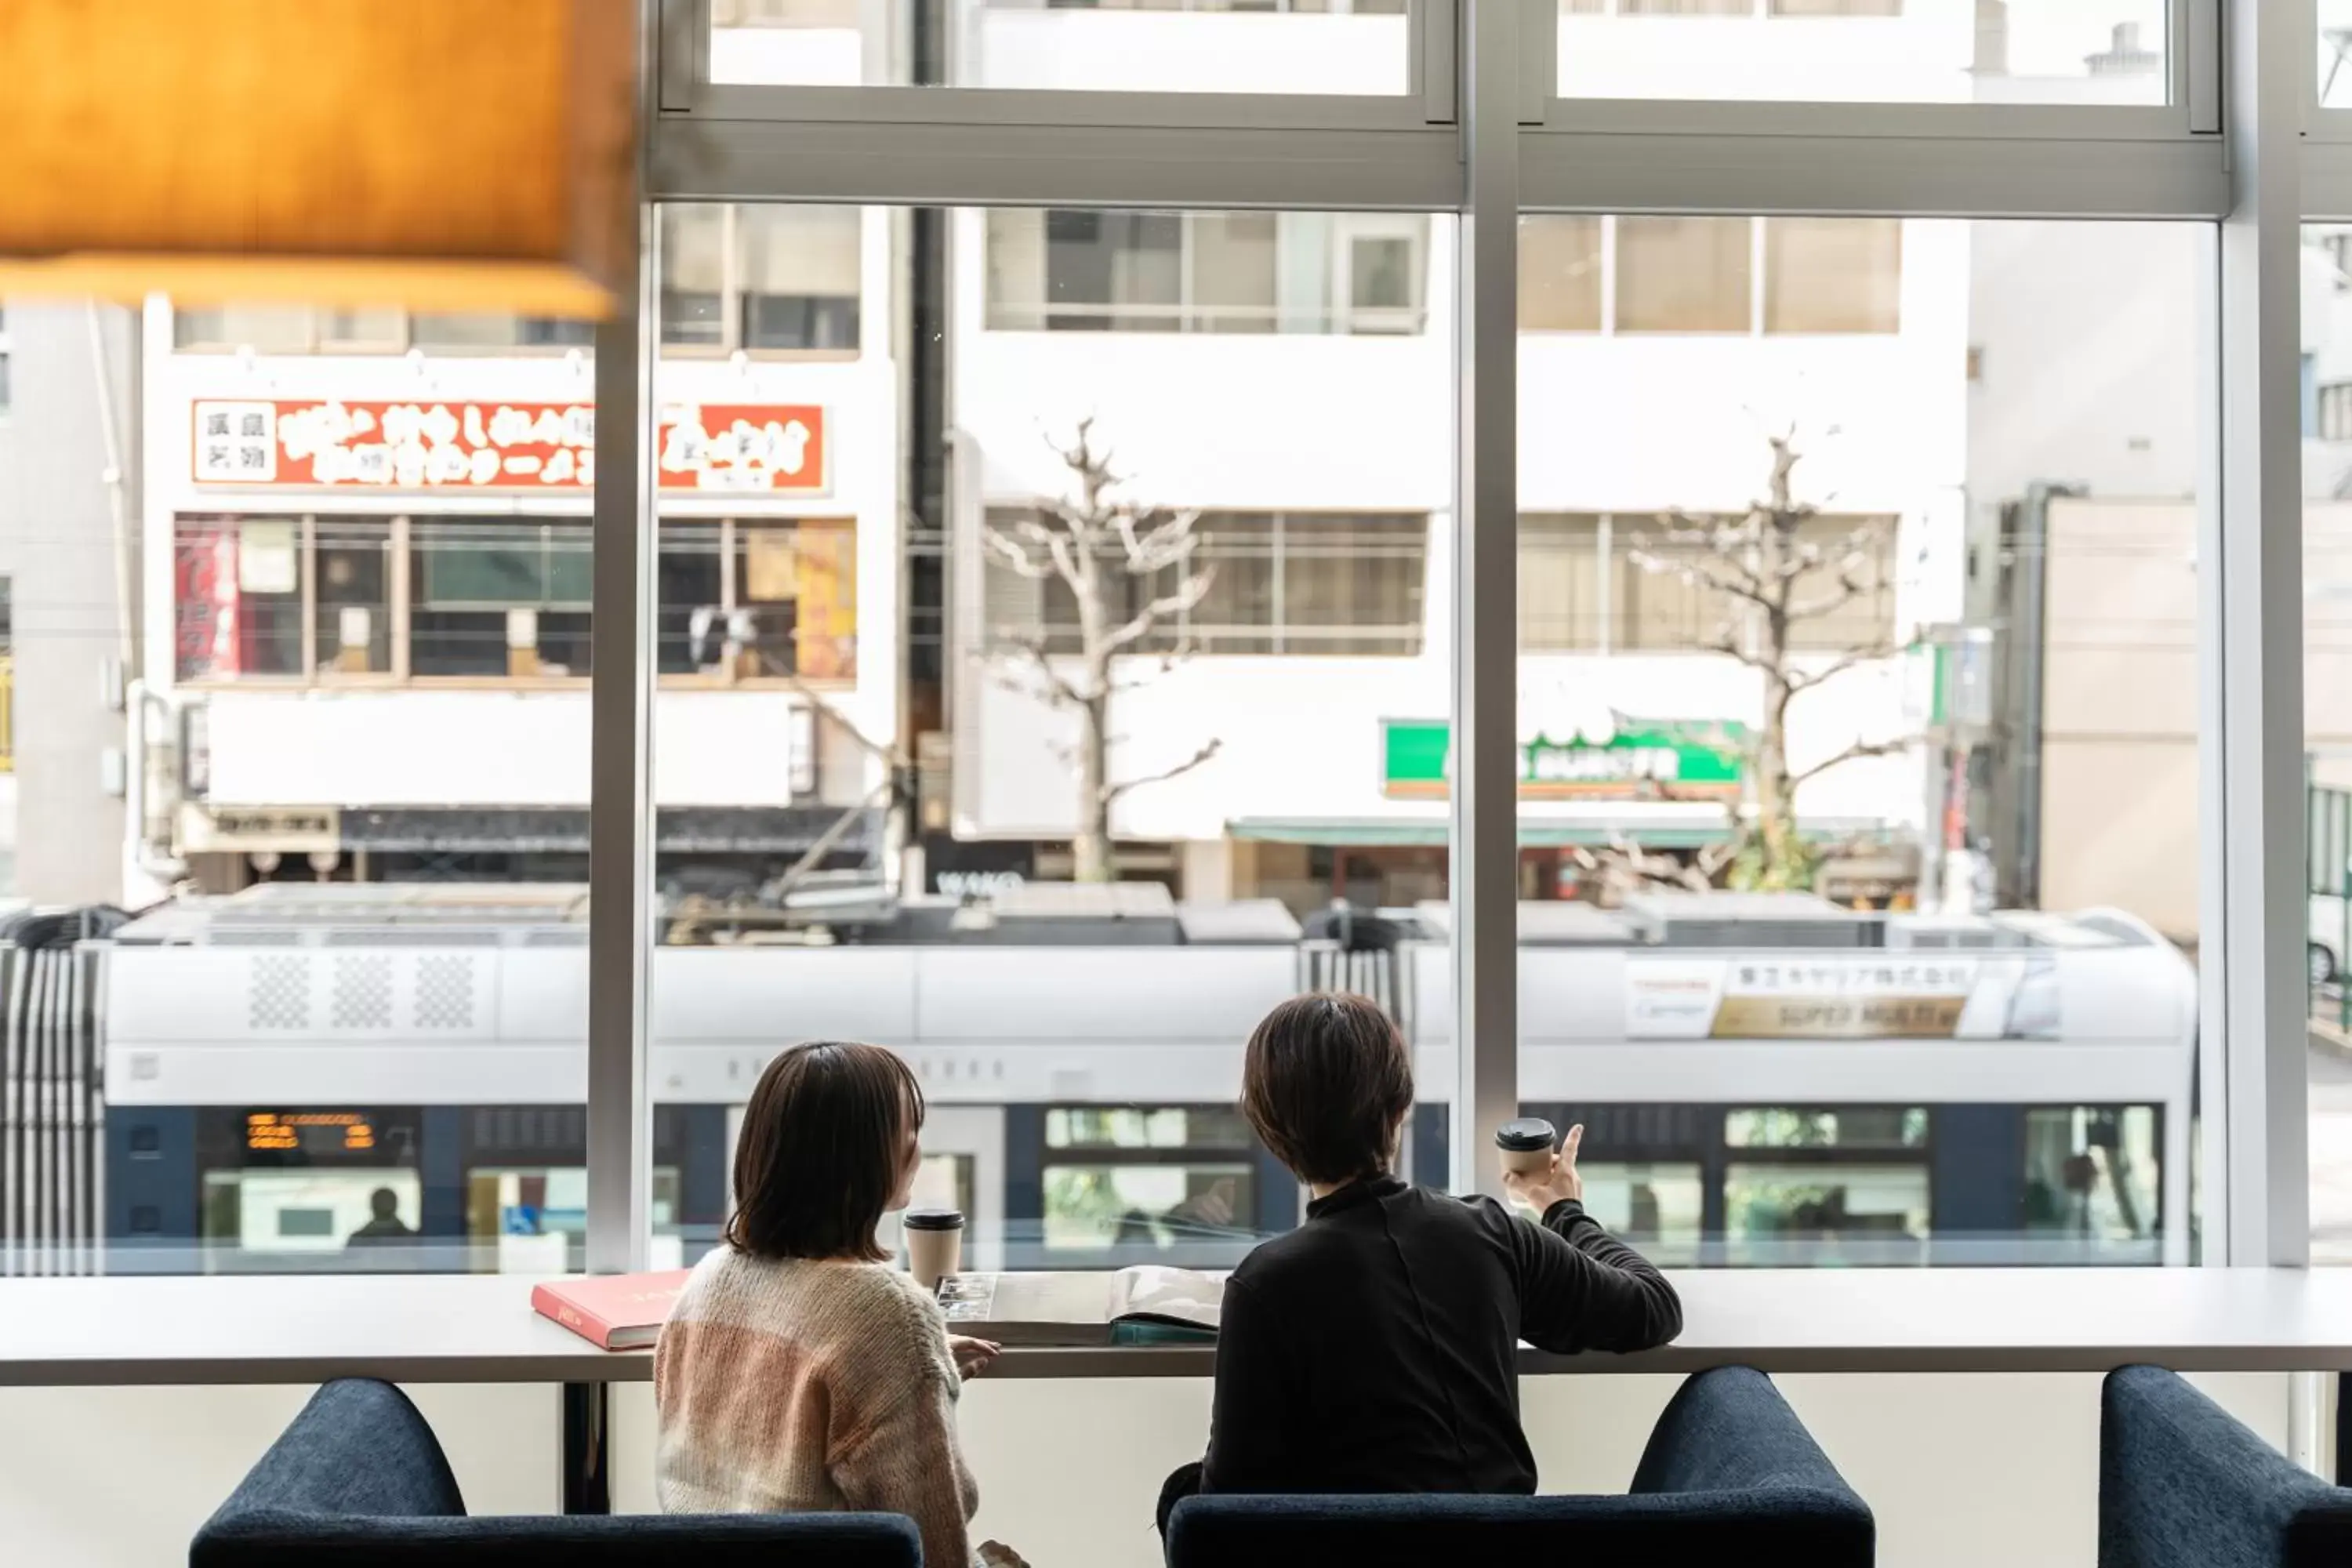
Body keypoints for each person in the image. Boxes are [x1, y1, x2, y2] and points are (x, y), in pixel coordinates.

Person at [1158, 992, 1682, 1530]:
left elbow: (1232, 1512)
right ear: (1400, 1108)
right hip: (1512, 1548)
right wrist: (1564, 1210)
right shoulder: (1489, 1232)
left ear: (1270, 1129)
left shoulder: (1267, 1283)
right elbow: (1653, 1306)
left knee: (1183, 1498)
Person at [655, 1040, 1026, 1568]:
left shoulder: (707, 1283)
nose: (917, 1151)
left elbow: (782, 1410)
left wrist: (914, 1365)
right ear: (866, 1156)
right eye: (908, 1131)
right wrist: (909, 1356)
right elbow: (936, 1544)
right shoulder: (886, 1313)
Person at [343, 1187, 412, 1247]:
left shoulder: (358, 1240)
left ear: (372, 1207)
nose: (384, 1205)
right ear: (395, 1206)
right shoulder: (411, 1239)